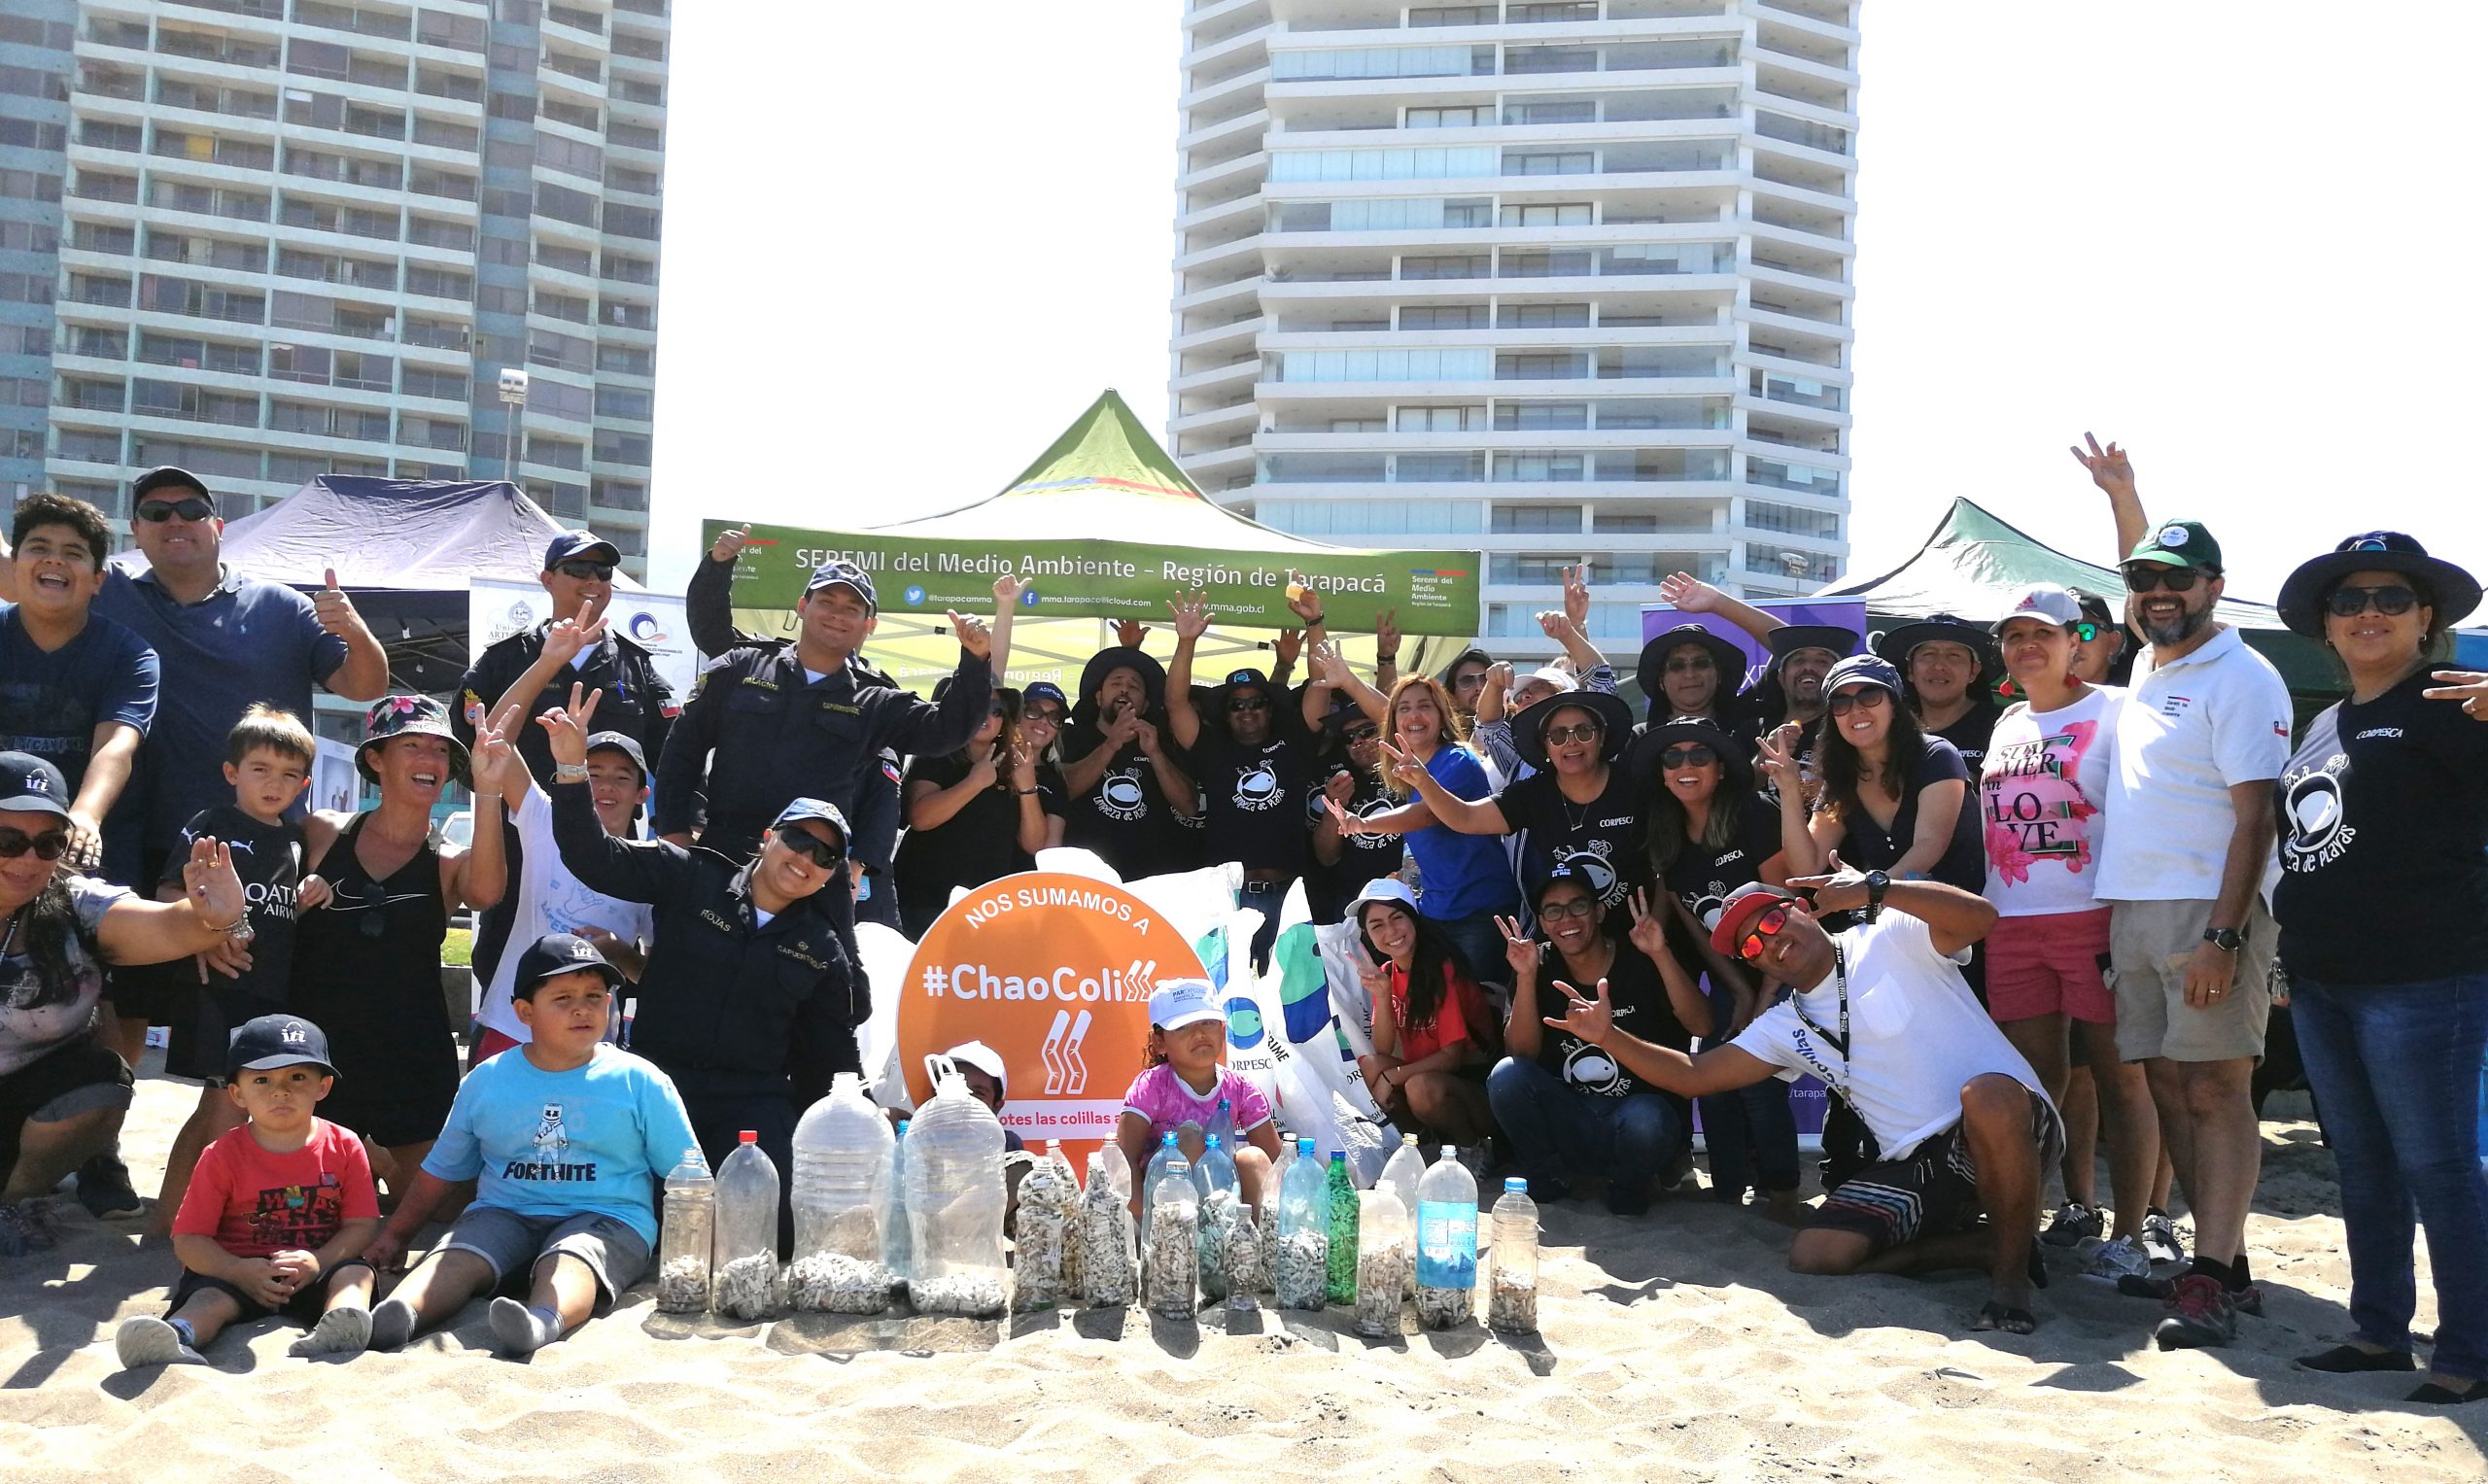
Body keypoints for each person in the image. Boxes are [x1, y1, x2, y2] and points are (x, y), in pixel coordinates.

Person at [1, 466, 388, 1217]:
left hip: (255, 854)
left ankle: (242, 1187)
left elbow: (366, 684)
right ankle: (105, 1155)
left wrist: (351, 624)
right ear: (136, 533)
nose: (173, 520)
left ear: (219, 523)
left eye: (190, 508)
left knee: (243, 1030)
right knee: (116, 1004)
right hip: (144, 837)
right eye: (155, 510)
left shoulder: (280, 605)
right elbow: (37, 561)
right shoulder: (112, 593)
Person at [1545, 874, 2059, 1333]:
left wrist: (1877, 888)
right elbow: (1693, 1076)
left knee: (1986, 1096)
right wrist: (1609, 1036)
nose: (1768, 943)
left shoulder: (1887, 933)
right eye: (1750, 946)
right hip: (1918, 1166)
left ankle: (2010, 1283)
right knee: (1816, 1254)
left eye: (1771, 921)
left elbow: (1982, 918)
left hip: (2012, 1128)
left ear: (1800, 909)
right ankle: (1983, 1247)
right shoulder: (1785, 1023)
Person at [2076, 445, 2294, 1350]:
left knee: (2216, 1088)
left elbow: (2258, 819)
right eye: (2146, 581)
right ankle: (2221, 1264)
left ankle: (2210, 1272)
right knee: (2168, 1084)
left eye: (2179, 579)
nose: (2159, 593)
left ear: (2215, 586)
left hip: (2207, 911)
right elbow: (2140, 575)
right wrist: (2124, 497)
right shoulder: (2154, 664)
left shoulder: (2242, 676)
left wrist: (2224, 936)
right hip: (2135, 905)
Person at [2269, 533, 2488, 1403]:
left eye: (2391, 597)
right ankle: (2379, 1332)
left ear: (2425, 616)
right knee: (2362, 1163)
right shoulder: (2324, 721)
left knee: (2440, 1166)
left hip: (2425, 977)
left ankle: (2471, 1350)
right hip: (2323, 980)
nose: (2369, 611)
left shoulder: (2457, 702)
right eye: (2350, 599)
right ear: (2326, 623)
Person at [540, 689, 863, 1198]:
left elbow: (831, 1058)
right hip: (658, 1087)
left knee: (767, 1221)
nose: (806, 859)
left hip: (752, 1105)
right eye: (799, 840)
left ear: (830, 876)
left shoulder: (822, 948)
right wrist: (570, 768)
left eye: (825, 858)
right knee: (632, 1216)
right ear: (769, 837)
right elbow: (592, 856)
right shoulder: (690, 875)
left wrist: (865, 1124)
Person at [361, 932, 701, 1356]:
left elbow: (690, 1177)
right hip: (505, 1211)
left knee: (573, 1258)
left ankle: (540, 1323)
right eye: (563, 998)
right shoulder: (487, 1079)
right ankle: (399, 1316)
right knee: (459, 1253)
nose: (582, 1008)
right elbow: (442, 1169)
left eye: (595, 996)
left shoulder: (640, 1079)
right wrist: (396, 1234)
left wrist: (705, 1255)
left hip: (607, 1217)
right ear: (525, 1012)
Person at [1975, 586, 2162, 1283]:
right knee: (2036, 1086)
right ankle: (2028, 1221)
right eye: (2014, 635)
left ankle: (2132, 1233)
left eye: (2043, 634)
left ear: (2074, 640)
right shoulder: (2007, 722)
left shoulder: (2117, 707)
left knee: (2122, 1078)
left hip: (2097, 915)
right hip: (2012, 920)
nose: (2027, 646)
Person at [0, 751, 253, 1255]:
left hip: (29, 1101)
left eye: (48, 844)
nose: (29, 859)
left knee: (103, 1081)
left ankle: (14, 1202)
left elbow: (166, 927)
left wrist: (213, 916)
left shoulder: (74, 903)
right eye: (8, 841)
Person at [293, 696, 507, 1197]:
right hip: (322, 1051)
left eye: (440, 750)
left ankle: (374, 1159)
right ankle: (362, 1157)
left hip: (411, 1052)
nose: (429, 760)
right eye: (412, 746)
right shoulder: (322, 832)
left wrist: (488, 790)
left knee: (444, 1207)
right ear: (375, 758)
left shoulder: (449, 859)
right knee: (314, 1206)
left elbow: (486, 893)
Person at [653, 560, 996, 866]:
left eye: (851, 608)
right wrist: (674, 830)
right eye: (827, 602)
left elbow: (945, 730)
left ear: (868, 624)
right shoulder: (742, 667)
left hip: (813, 868)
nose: (837, 615)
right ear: (803, 606)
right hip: (722, 857)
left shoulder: (874, 699)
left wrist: (976, 659)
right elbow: (683, 750)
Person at [453, 530, 674, 988]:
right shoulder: (505, 659)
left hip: (609, 862)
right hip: (522, 849)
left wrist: (678, 843)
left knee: (596, 988)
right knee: (507, 978)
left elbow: (675, 768)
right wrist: (549, 662)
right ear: (548, 579)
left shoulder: (637, 666)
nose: (593, 580)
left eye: (603, 571)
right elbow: (476, 749)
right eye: (577, 569)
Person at [148, 706, 333, 1236]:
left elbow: (277, 916)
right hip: (221, 989)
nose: (275, 784)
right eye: (260, 769)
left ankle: (176, 1222)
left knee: (224, 1106)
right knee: (225, 1106)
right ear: (232, 772)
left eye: (289, 774)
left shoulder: (295, 840)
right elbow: (168, 893)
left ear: (304, 784)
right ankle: (189, 1225)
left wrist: (311, 892)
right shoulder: (212, 826)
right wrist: (203, 937)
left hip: (268, 997)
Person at [115, 1015, 379, 1367]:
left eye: (297, 1077)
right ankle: (178, 1335)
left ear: (323, 1086)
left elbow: (362, 1225)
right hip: (236, 1272)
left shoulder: (345, 1145)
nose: (280, 1091)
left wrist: (320, 1261)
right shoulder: (221, 1154)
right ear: (237, 1093)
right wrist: (236, 1270)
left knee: (356, 1274)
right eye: (262, 1079)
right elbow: (189, 1239)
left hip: (315, 1270)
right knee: (208, 1299)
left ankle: (343, 1323)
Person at [465, 614, 657, 1064]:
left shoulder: (653, 867)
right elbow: (495, 739)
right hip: (510, 1031)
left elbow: (658, 980)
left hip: (592, 1051)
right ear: (574, 774)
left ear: (641, 795)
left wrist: (617, 952)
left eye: (621, 777)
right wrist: (548, 662)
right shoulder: (545, 817)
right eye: (594, 773)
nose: (606, 787)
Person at [1642, 714, 1799, 1216]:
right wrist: (1740, 992)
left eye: (1699, 755)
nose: (1684, 766)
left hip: (1790, 970)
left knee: (1756, 1081)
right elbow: (1699, 929)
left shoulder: (1754, 814)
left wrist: (1764, 995)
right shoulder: (1666, 834)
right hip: (1736, 980)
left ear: (1721, 768)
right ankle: (1729, 1192)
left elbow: (1789, 910)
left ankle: (1782, 1192)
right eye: (1672, 758)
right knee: (1710, 1077)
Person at [1491, 871, 1712, 1214]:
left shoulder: (1640, 956)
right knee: (1506, 1075)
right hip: (1571, 1118)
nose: (1567, 918)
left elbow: (1703, 1025)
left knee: (1647, 1118)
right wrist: (1527, 976)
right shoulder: (1536, 962)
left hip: (1639, 1120)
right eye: (1553, 911)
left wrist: (1660, 954)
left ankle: (1627, 1186)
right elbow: (1521, 1055)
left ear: (1599, 911)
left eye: (1578, 906)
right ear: (1543, 923)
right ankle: (1549, 1177)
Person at [1319, 656, 1522, 983]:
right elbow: (1390, 713)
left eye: (1425, 706)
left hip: (1480, 912)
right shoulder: (1415, 767)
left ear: (1442, 715)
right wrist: (1349, 682)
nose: (1414, 716)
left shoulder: (1458, 760)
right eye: (1405, 709)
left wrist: (1363, 824)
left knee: (1481, 1006)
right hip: (1436, 912)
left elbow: (1427, 815)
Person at [1162, 591, 1332, 964]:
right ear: (1225, 714)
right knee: (1229, 993)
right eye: (1236, 704)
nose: (1247, 710)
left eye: (1257, 702)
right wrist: (1186, 641)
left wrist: (1315, 622)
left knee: (1292, 993)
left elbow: (1322, 684)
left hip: (1289, 895)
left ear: (1271, 709)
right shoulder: (1211, 747)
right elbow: (1175, 703)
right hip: (1227, 897)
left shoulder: (1294, 742)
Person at [0, 493, 156, 885]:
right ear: (14, 565)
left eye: (73, 553)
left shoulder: (130, 654)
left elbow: (116, 746)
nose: (54, 560)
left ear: (98, 580)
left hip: (84, 850)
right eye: (39, 547)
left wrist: (86, 815)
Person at [1390, 688, 1647, 915]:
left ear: (1601, 737)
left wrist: (1656, 933)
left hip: (1639, 935)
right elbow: (1465, 817)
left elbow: (1661, 866)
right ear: (1545, 747)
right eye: (1557, 735)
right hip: (1564, 936)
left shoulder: (1635, 787)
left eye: (1583, 731)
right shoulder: (1533, 794)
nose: (1571, 742)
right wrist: (1424, 781)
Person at [893, 683, 1056, 937]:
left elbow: (1034, 845)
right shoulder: (935, 755)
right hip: (923, 904)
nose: (985, 714)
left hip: (986, 912)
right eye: (976, 705)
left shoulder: (1016, 766)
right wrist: (974, 782)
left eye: (996, 709)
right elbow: (920, 818)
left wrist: (1027, 788)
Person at [1348, 880, 1499, 1146]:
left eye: (1397, 918)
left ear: (1414, 919)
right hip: (1427, 1077)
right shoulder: (1386, 973)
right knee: (1369, 1066)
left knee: (1419, 1087)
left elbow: (1452, 1058)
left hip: (1475, 1087)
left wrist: (1392, 1076)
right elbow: (1382, 1050)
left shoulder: (1443, 970)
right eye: (1377, 925)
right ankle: (1422, 1141)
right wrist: (1382, 995)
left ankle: (1472, 1147)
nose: (1390, 931)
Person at [1114, 979, 1283, 1214]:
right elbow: (1124, 1162)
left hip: (1225, 1207)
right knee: (1188, 1140)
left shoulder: (1241, 1088)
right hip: (1166, 1217)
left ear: (1223, 1031)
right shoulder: (1151, 1087)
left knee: (1253, 1158)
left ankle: (1261, 1234)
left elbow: (1277, 1164)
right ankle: (1183, 1235)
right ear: (1160, 1043)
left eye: (1208, 1022)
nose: (1199, 1034)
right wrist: (1145, 1225)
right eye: (1183, 1027)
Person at [1054, 643, 1197, 880]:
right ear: (1099, 697)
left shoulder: (1161, 745)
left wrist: (1155, 754)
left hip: (1145, 881)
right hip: (1083, 880)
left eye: (1134, 687)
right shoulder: (1070, 737)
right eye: (1116, 683)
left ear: (1146, 705)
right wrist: (1111, 744)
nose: (1124, 690)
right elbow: (1060, 792)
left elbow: (1190, 807)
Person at [1304, 698, 1406, 925]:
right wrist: (1335, 804)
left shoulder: (1410, 772)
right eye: (1349, 737)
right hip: (1355, 901)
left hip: (1406, 893)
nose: (1358, 741)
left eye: (1367, 731)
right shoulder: (1343, 783)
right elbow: (1326, 857)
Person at [1876, 614, 2000, 775]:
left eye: (1954, 656)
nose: (1939, 666)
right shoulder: (1890, 732)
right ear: (1910, 670)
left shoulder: (2003, 727)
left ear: (1973, 671)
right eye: (1928, 655)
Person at [1633, 620, 1753, 732]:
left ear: (1719, 674)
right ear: (1661, 681)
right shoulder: (1640, 737)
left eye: (1701, 663)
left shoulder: (1748, 734)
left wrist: (1719, 606)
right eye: (1677, 665)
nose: (1690, 674)